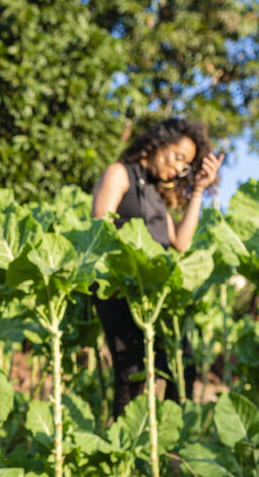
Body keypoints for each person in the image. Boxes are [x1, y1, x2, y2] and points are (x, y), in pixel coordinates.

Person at [91, 118, 225, 419]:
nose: (179, 168)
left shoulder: (155, 194)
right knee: (132, 371)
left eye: (186, 164)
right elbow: (100, 226)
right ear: (157, 144)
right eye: (178, 157)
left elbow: (180, 242)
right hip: (118, 288)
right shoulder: (119, 173)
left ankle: (170, 445)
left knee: (183, 365)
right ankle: (125, 450)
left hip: (152, 296)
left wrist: (199, 191)